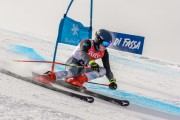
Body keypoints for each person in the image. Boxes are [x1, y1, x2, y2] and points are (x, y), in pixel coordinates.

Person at [36, 29, 117, 90]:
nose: (105, 46)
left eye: (108, 44)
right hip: (73, 62)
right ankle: (49, 76)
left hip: (84, 67)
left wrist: (112, 80)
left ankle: (78, 80)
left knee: (103, 70)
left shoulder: (104, 52)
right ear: (98, 40)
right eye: (105, 43)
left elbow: (108, 69)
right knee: (72, 73)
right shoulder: (87, 42)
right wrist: (91, 62)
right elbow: (83, 53)